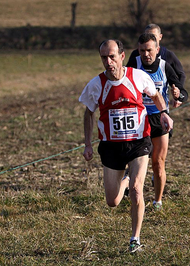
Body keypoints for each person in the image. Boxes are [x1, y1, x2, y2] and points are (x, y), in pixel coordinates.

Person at [79, 39, 173, 253]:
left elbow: (156, 95)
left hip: (139, 143)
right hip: (111, 147)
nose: (108, 61)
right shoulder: (97, 84)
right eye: (104, 57)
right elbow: (88, 113)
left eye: (112, 56)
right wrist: (87, 144)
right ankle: (127, 178)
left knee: (137, 192)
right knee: (112, 201)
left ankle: (135, 239)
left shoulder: (137, 77)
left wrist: (164, 114)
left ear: (122, 56)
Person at [127, 33, 188, 211]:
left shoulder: (164, 66)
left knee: (158, 163)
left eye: (149, 50)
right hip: (138, 120)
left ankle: (157, 201)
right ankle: (134, 196)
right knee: (136, 162)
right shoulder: (134, 65)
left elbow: (182, 90)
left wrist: (179, 95)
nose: (146, 54)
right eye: (142, 50)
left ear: (157, 50)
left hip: (160, 119)